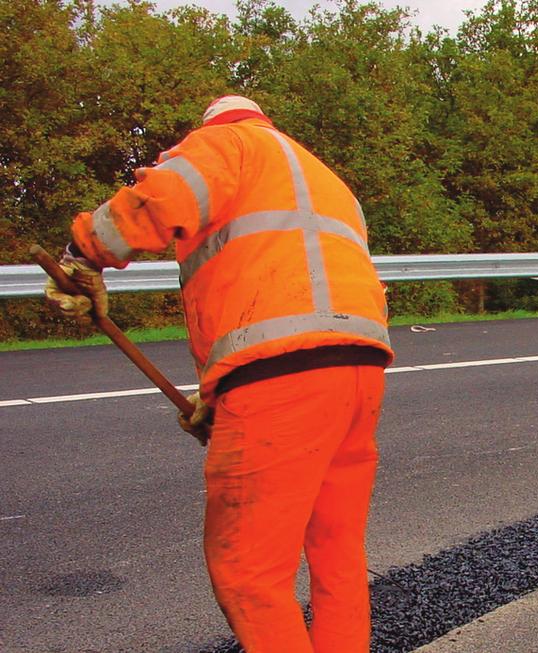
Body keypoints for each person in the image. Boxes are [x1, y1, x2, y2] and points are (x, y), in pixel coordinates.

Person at [42, 96, 392, 653]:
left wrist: (81, 257)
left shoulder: (225, 145)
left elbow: (157, 200)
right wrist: (216, 396)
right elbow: (263, 285)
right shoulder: (323, 177)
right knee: (336, 549)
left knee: (249, 572)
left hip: (280, 376)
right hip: (358, 370)